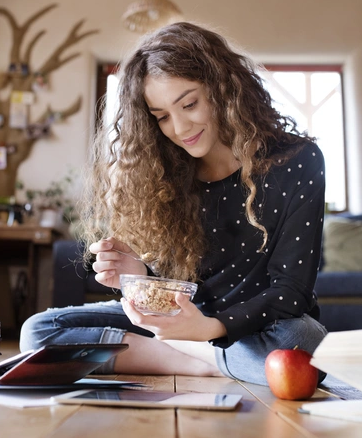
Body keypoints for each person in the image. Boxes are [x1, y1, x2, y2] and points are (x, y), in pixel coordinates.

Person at [19, 22, 327, 385]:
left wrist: (210, 328)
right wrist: (136, 278)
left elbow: (291, 292)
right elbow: (178, 290)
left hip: (263, 328)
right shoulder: (163, 173)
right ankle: (206, 361)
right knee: (39, 332)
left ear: (223, 88)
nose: (179, 128)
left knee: (301, 342)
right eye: (162, 116)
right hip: (186, 325)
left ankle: (190, 353)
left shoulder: (297, 160)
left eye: (189, 104)